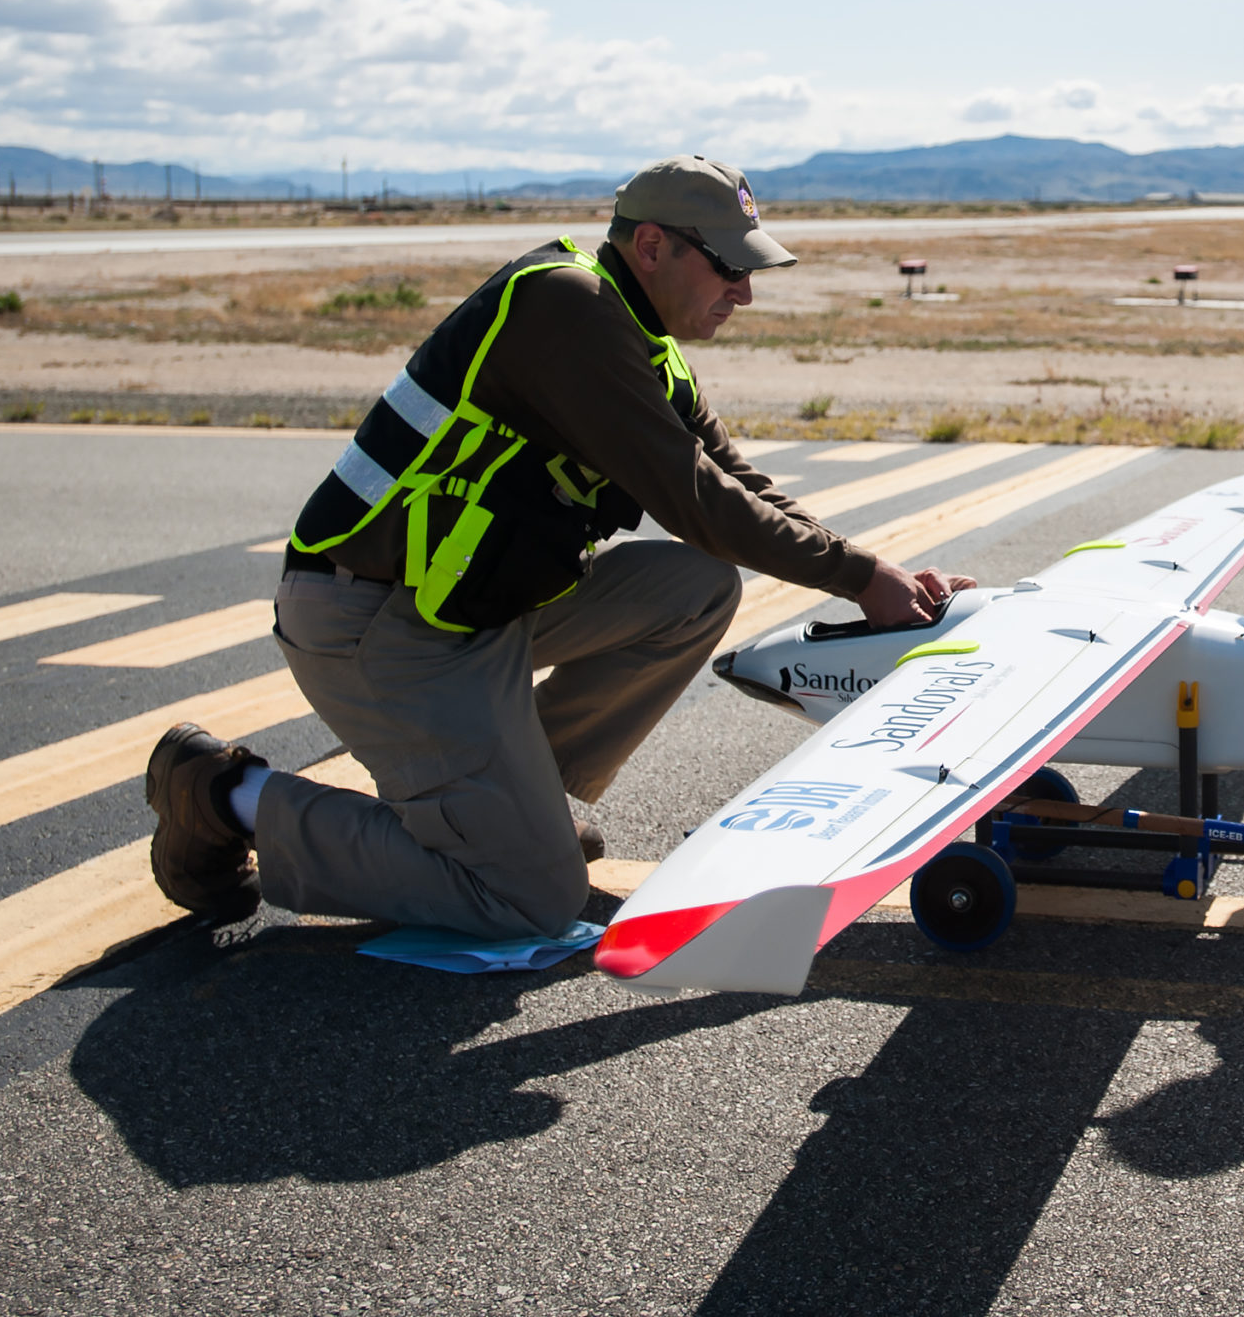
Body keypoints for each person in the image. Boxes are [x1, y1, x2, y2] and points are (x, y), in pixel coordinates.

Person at [143, 156, 972, 935]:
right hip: (375, 619)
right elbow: (695, 499)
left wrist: (876, 572)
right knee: (529, 898)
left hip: (474, 604)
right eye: (729, 266)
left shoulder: (643, 338)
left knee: (696, 588)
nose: (745, 292)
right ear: (652, 246)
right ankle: (224, 795)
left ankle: (516, 806)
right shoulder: (569, 308)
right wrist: (860, 579)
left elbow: (736, 480)